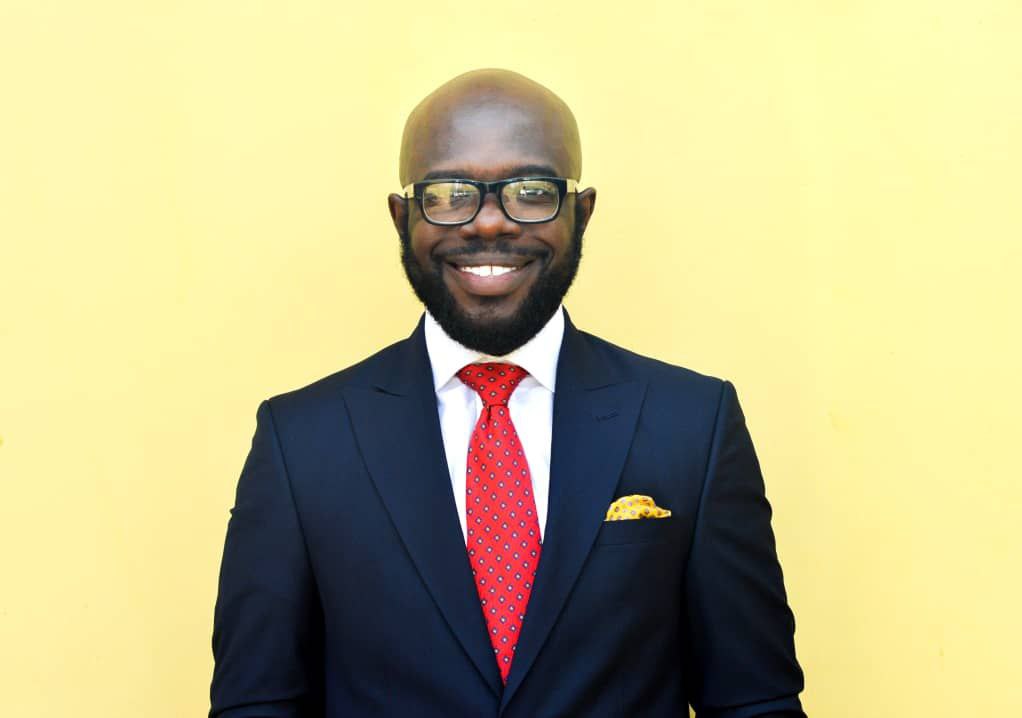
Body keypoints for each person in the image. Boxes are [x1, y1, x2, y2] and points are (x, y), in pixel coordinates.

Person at [209, 69, 805, 717]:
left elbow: (754, 703)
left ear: (581, 213)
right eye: (448, 194)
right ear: (402, 218)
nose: (489, 224)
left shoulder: (693, 426)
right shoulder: (301, 444)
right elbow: (256, 705)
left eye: (530, 192)